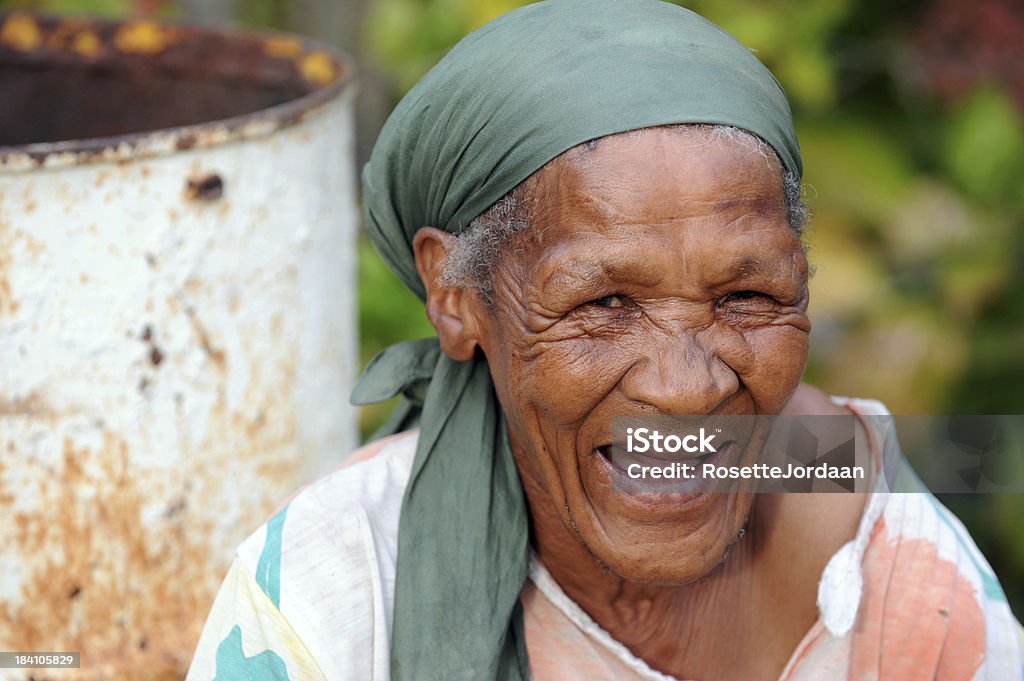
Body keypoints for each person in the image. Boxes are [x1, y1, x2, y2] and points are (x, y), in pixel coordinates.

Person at [185, 1, 1024, 679]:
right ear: (454, 295)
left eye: (746, 295)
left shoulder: (881, 537)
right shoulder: (339, 589)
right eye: (606, 302)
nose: (688, 388)